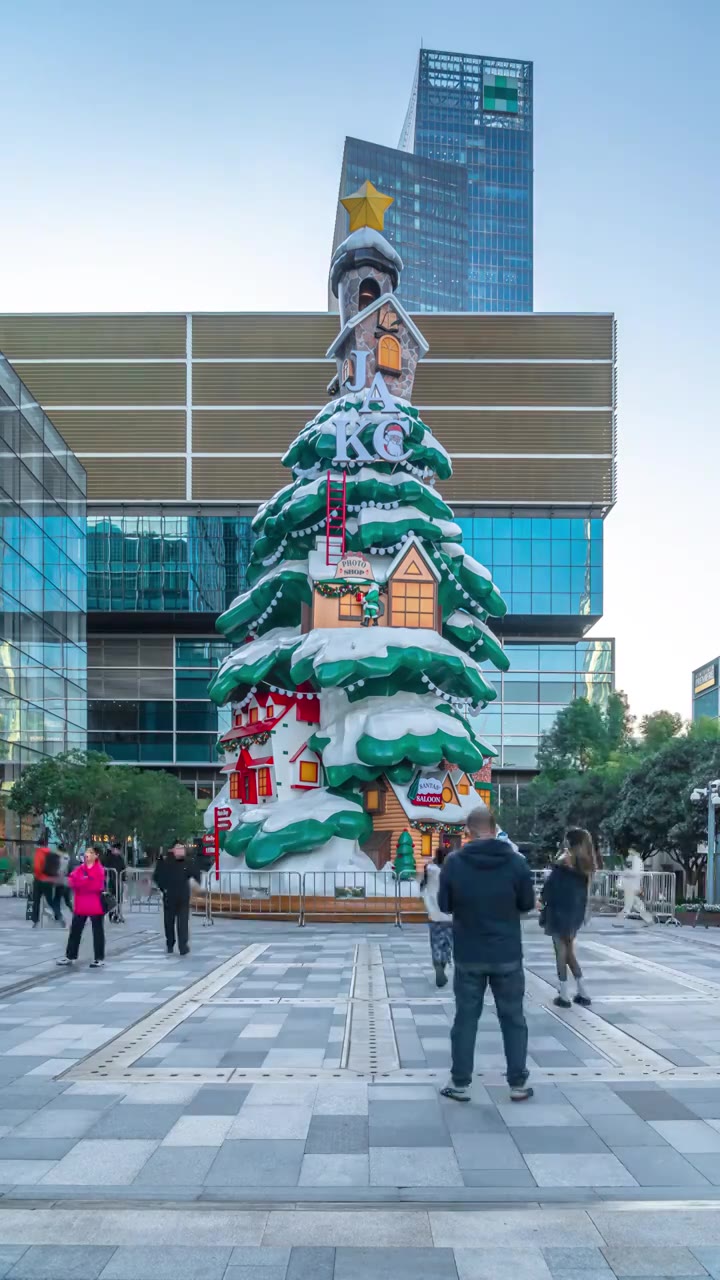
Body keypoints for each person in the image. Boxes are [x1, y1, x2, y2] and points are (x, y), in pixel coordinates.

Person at [437, 807, 535, 1104]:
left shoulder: (454, 862)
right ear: (494, 828)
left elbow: (445, 905)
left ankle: (460, 1083)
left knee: (466, 1019)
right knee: (513, 1018)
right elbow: (527, 903)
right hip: (507, 952)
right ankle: (517, 1083)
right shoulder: (516, 862)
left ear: (467, 830)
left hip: (469, 953)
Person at [540, 827, 596, 1008]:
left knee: (561, 951)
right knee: (569, 950)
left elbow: (550, 889)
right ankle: (583, 991)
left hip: (558, 911)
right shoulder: (587, 863)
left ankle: (563, 994)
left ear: (569, 842)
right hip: (576, 912)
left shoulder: (563, 862)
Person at [56, 846, 106, 968]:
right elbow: (72, 880)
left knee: (98, 931)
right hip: (81, 904)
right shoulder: (80, 868)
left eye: (90, 853)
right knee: (75, 930)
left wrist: (81, 882)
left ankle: (99, 958)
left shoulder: (99, 869)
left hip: (95, 904)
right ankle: (70, 956)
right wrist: (84, 881)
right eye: (86, 852)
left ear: (96, 856)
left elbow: (95, 886)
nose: (87, 855)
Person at [153, 840, 201, 956]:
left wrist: (198, 881)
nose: (181, 851)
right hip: (169, 896)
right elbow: (157, 876)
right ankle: (170, 943)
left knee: (183, 923)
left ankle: (183, 946)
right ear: (173, 851)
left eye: (182, 849)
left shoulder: (187, 862)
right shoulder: (165, 862)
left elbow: (195, 873)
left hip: (183, 897)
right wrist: (163, 888)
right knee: (169, 922)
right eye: (178, 849)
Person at [420, 848, 453, 987]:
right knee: (447, 943)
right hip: (450, 915)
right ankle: (443, 964)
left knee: (435, 942)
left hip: (433, 914)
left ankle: (437, 964)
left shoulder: (429, 870)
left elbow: (422, 888)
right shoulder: (452, 872)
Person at [31, 837, 64, 927]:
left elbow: (37, 867)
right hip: (48, 880)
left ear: (38, 844)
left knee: (36, 900)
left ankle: (35, 921)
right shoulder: (50, 852)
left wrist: (38, 875)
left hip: (39, 880)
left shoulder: (39, 852)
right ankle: (59, 916)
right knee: (50, 900)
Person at [614, 851, 653, 926]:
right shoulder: (632, 867)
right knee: (634, 906)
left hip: (632, 890)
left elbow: (635, 875)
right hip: (631, 890)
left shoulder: (634, 865)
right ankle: (649, 920)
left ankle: (619, 921)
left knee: (631, 906)